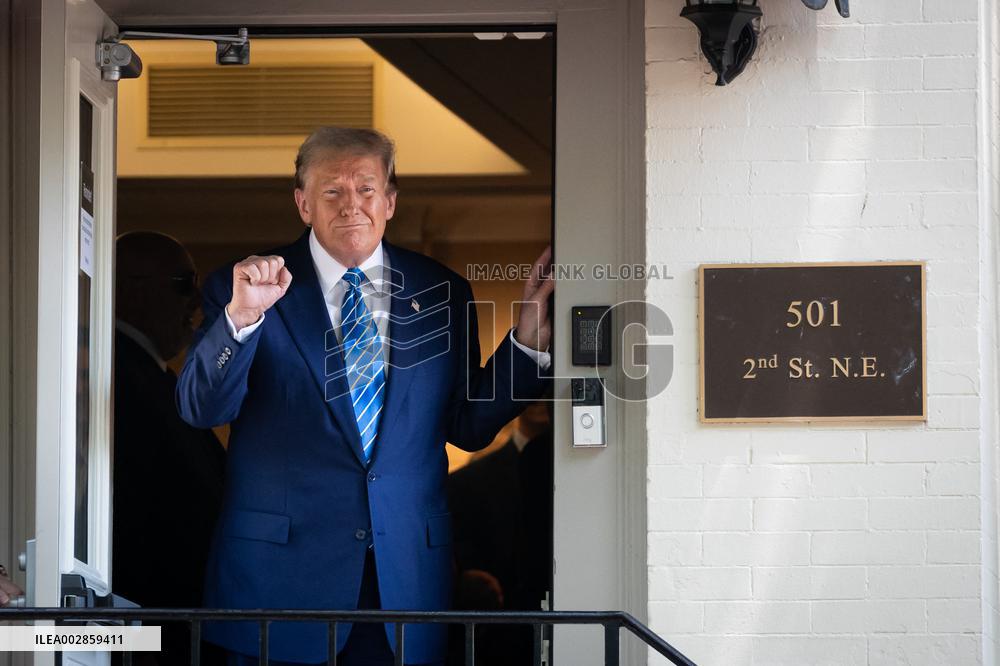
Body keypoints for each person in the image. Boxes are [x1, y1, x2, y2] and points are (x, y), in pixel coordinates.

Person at [175, 127, 554, 666]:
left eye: (366, 189)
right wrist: (241, 318)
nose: (351, 204)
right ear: (303, 204)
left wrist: (525, 345)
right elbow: (202, 408)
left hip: (403, 584)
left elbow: (466, 425)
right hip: (279, 588)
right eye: (331, 191)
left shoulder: (442, 291)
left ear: (391, 201)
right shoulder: (242, 287)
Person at [113, 231, 227, 665]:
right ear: (130, 288)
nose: (196, 301)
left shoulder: (151, 377)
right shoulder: (116, 375)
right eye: (183, 283)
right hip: (146, 627)